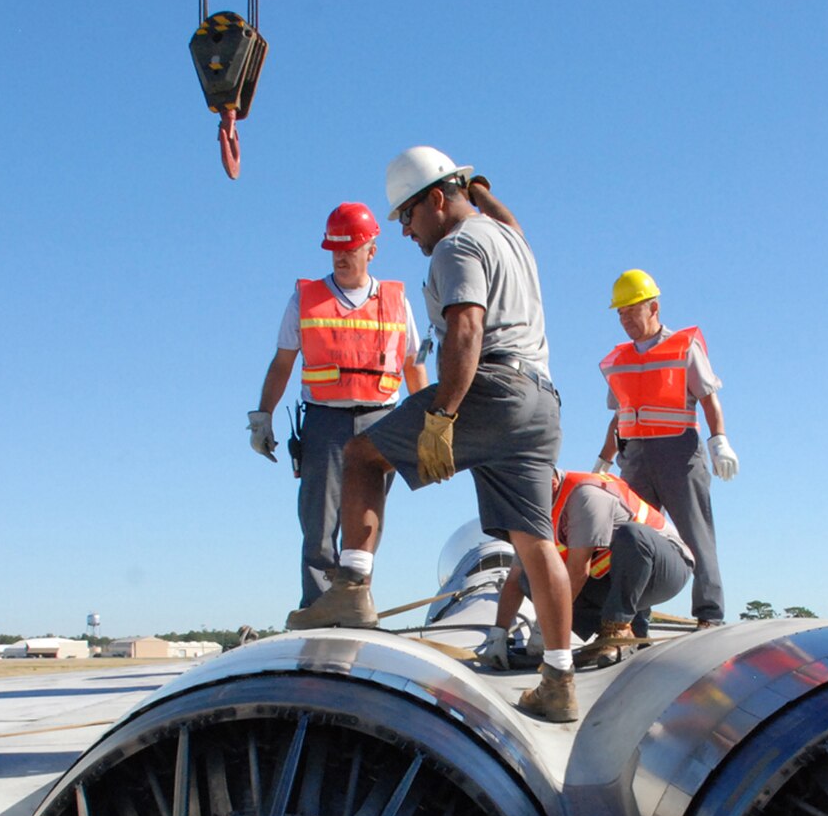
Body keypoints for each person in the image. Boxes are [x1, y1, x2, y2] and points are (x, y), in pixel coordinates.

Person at [286, 147, 580, 723]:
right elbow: (508, 217)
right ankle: (559, 677)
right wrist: (481, 184)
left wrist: (443, 416)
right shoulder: (509, 237)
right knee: (534, 542)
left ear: (436, 201)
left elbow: (466, 328)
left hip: (490, 388)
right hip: (542, 403)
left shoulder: (457, 245)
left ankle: (351, 585)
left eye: (406, 216)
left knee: (364, 455)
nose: (404, 230)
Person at [248, 202, 426, 610]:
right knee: (318, 521)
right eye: (335, 249)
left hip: (382, 420)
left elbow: (414, 366)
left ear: (372, 250)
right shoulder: (305, 300)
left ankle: (355, 600)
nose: (342, 257)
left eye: (351, 248)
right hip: (325, 422)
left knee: (364, 522)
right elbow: (282, 364)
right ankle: (318, 605)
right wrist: (263, 417)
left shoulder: (397, 302)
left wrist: (429, 424)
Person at [593, 269, 738, 627]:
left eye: (632, 311)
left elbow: (708, 399)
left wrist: (719, 442)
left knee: (696, 533)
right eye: (620, 313)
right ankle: (633, 621)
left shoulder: (683, 347)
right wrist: (603, 462)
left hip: (679, 454)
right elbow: (620, 417)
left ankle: (709, 615)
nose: (625, 319)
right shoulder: (619, 361)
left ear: (653, 308)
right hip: (635, 459)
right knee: (634, 538)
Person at [487, 469, 693, 668]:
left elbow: (578, 571)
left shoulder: (584, 495)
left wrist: (544, 629)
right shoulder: (534, 515)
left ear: (551, 483)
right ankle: (628, 628)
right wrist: (499, 634)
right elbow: (515, 580)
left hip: (665, 570)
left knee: (633, 535)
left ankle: (618, 629)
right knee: (528, 578)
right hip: (615, 581)